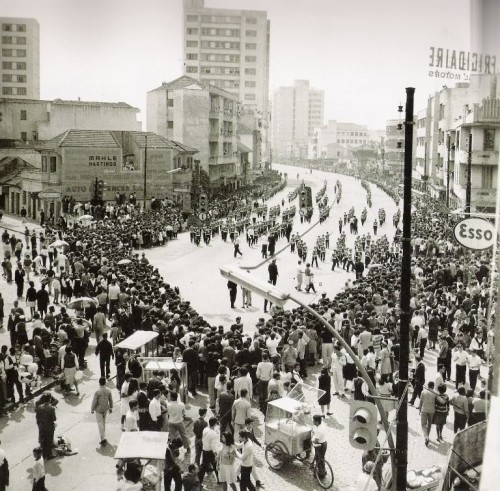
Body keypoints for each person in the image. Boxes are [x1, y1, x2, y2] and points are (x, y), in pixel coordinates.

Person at [90, 377, 113, 445]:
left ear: (99, 383)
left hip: (99, 409)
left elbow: (94, 401)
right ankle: (103, 436)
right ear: (105, 383)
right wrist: (111, 408)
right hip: (105, 408)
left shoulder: (97, 391)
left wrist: (92, 409)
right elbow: (110, 400)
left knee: (100, 423)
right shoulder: (108, 391)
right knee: (103, 422)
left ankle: (102, 437)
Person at [198, 417, 220, 485]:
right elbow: (214, 446)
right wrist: (216, 454)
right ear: (215, 424)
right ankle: (219, 479)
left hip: (205, 450)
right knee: (215, 465)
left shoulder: (205, 429)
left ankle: (200, 480)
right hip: (210, 452)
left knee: (203, 466)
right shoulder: (214, 434)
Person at [35, 393, 57, 460]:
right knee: (49, 440)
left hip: (41, 426)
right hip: (49, 426)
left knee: (43, 440)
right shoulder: (51, 408)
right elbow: (54, 418)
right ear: (49, 399)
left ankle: (44, 454)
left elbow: (37, 417)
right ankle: (49, 455)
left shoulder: (39, 407)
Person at [419, 381, 436, 446]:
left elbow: (421, 401)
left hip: (424, 410)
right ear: (433, 386)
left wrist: (420, 409)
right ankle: (427, 436)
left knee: (423, 424)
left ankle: (426, 436)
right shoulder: (434, 393)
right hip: (432, 411)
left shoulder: (423, 392)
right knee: (429, 424)